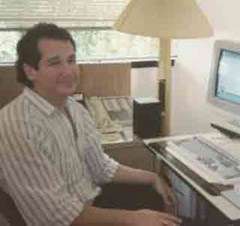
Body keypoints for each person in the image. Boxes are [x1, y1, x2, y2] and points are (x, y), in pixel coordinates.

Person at [0, 23, 182, 226]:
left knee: (158, 195)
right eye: (54, 63)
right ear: (30, 71)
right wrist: (134, 218)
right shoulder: (17, 126)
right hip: (68, 220)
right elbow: (56, 216)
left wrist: (153, 177)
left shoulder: (73, 108)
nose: (69, 71)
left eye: (71, 60)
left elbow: (100, 167)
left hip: (89, 203)